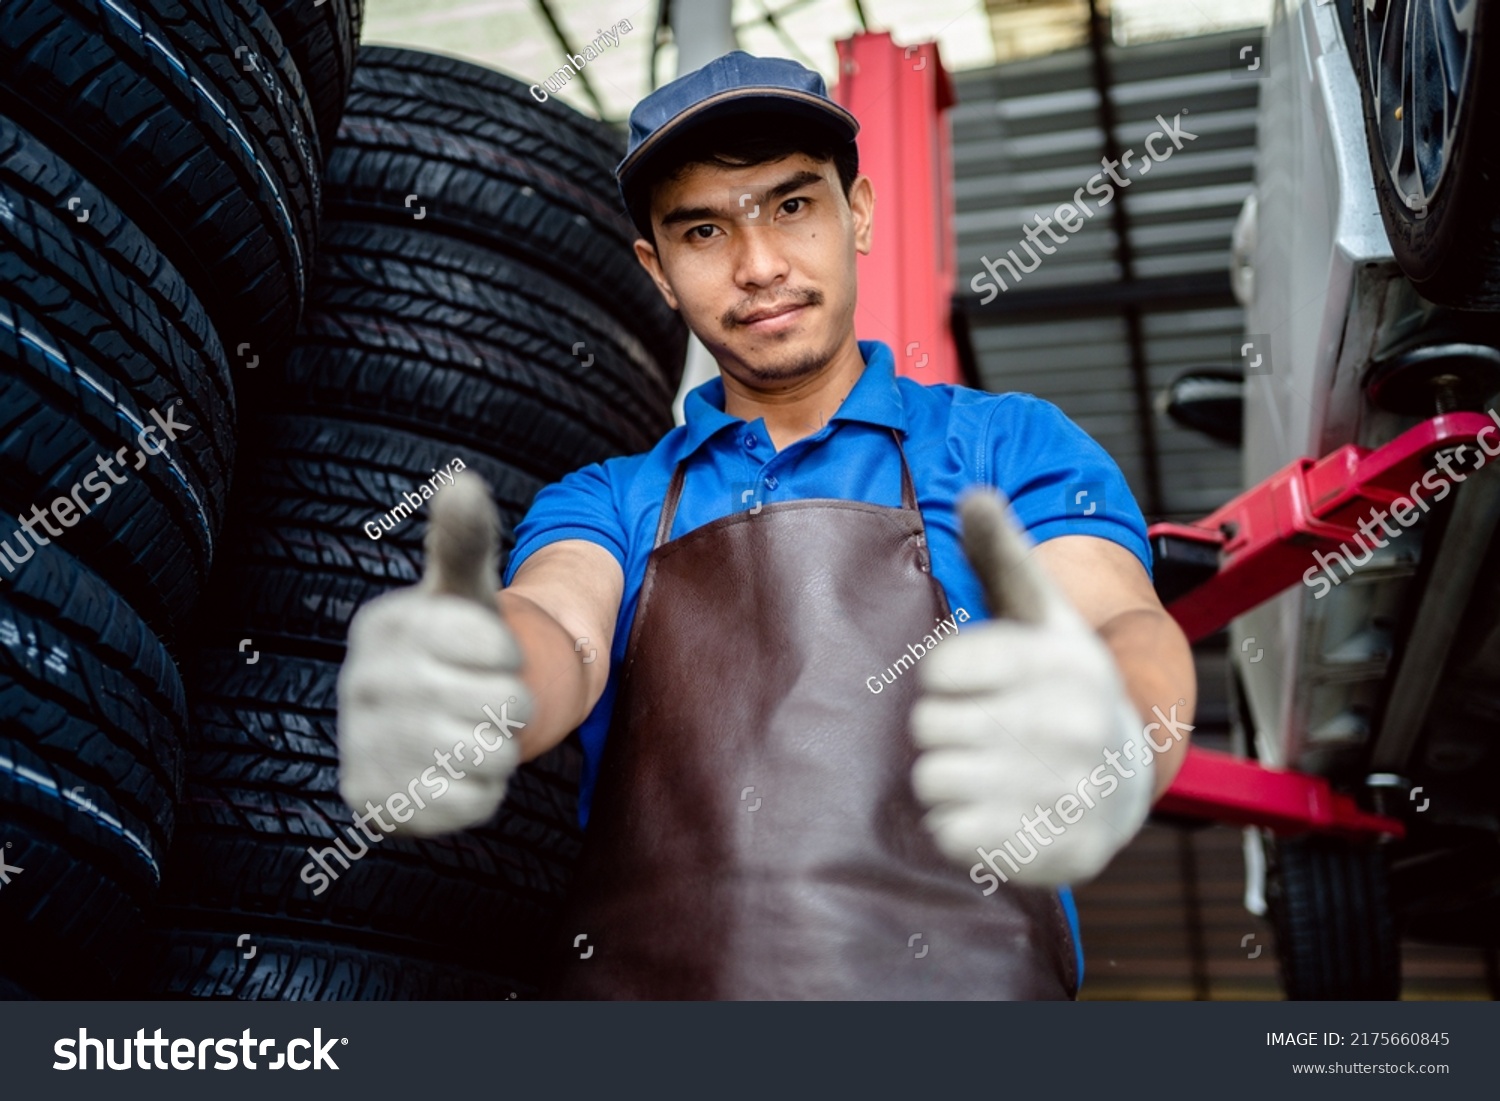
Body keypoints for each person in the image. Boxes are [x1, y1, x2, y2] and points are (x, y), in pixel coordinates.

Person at [336, 51, 1196, 999]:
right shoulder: (608, 500)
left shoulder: (1009, 445)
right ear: (657, 271)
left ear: (856, 211)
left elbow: (1120, 622)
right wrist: (474, 676)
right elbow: (560, 629)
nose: (759, 266)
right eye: (703, 229)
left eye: (792, 205)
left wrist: (1117, 732)